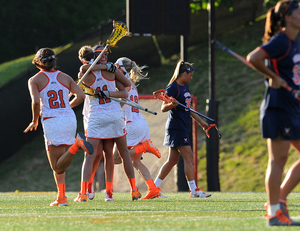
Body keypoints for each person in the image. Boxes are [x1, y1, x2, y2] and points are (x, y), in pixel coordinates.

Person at [247, 0, 300, 226]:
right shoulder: (281, 40)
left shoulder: (293, 43)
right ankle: (274, 213)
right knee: (278, 160)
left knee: (281, 159)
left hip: (291, 107)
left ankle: (278, 201)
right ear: (288, 18)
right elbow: (254, 58)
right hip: (278, 108)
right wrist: (273, 77)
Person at [24, 48, 94, 206]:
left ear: (38, 61)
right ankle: (61, 197)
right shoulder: (65, 77)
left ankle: (77, 145)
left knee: (56, 166)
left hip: (52, 120)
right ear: (54, 61)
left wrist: (34, 120)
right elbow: (81, 96)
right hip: (68, 118)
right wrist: (67, 107)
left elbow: (35, 102)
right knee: (61, 162)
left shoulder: (34, 80)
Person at [74, 44, 142, 202]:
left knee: (91, 155)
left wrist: (107, 91)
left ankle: (85, 192)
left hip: (97, 116)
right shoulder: (109, 71)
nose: (103, 57)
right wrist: (109, 68)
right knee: (122, 153)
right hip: (114, 115)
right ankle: (132, 191)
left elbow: (124, 90)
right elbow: (126, 85)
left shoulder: (88, 70)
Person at [153, 60, 211, 199]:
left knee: (172, 160)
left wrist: (202, 123)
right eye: (190, 75)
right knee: (188, 157)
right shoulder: (173, 87)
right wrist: (172, 104)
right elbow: (163, 108)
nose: (191, 78)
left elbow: (188, 109)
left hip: (183, 126)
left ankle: (153, 188)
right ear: (184, 73)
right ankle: (194, 190)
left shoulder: (185, 87)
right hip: (177, 127)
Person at [113, 57, 162, 199]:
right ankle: (153, 188)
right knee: (135, 162)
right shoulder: (132, 84)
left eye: (116, 66)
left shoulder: (122, 84)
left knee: (115, 158)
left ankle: (144, 147)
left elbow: (122, 101)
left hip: (132, 125)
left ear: (121, 69)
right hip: (140, 123)